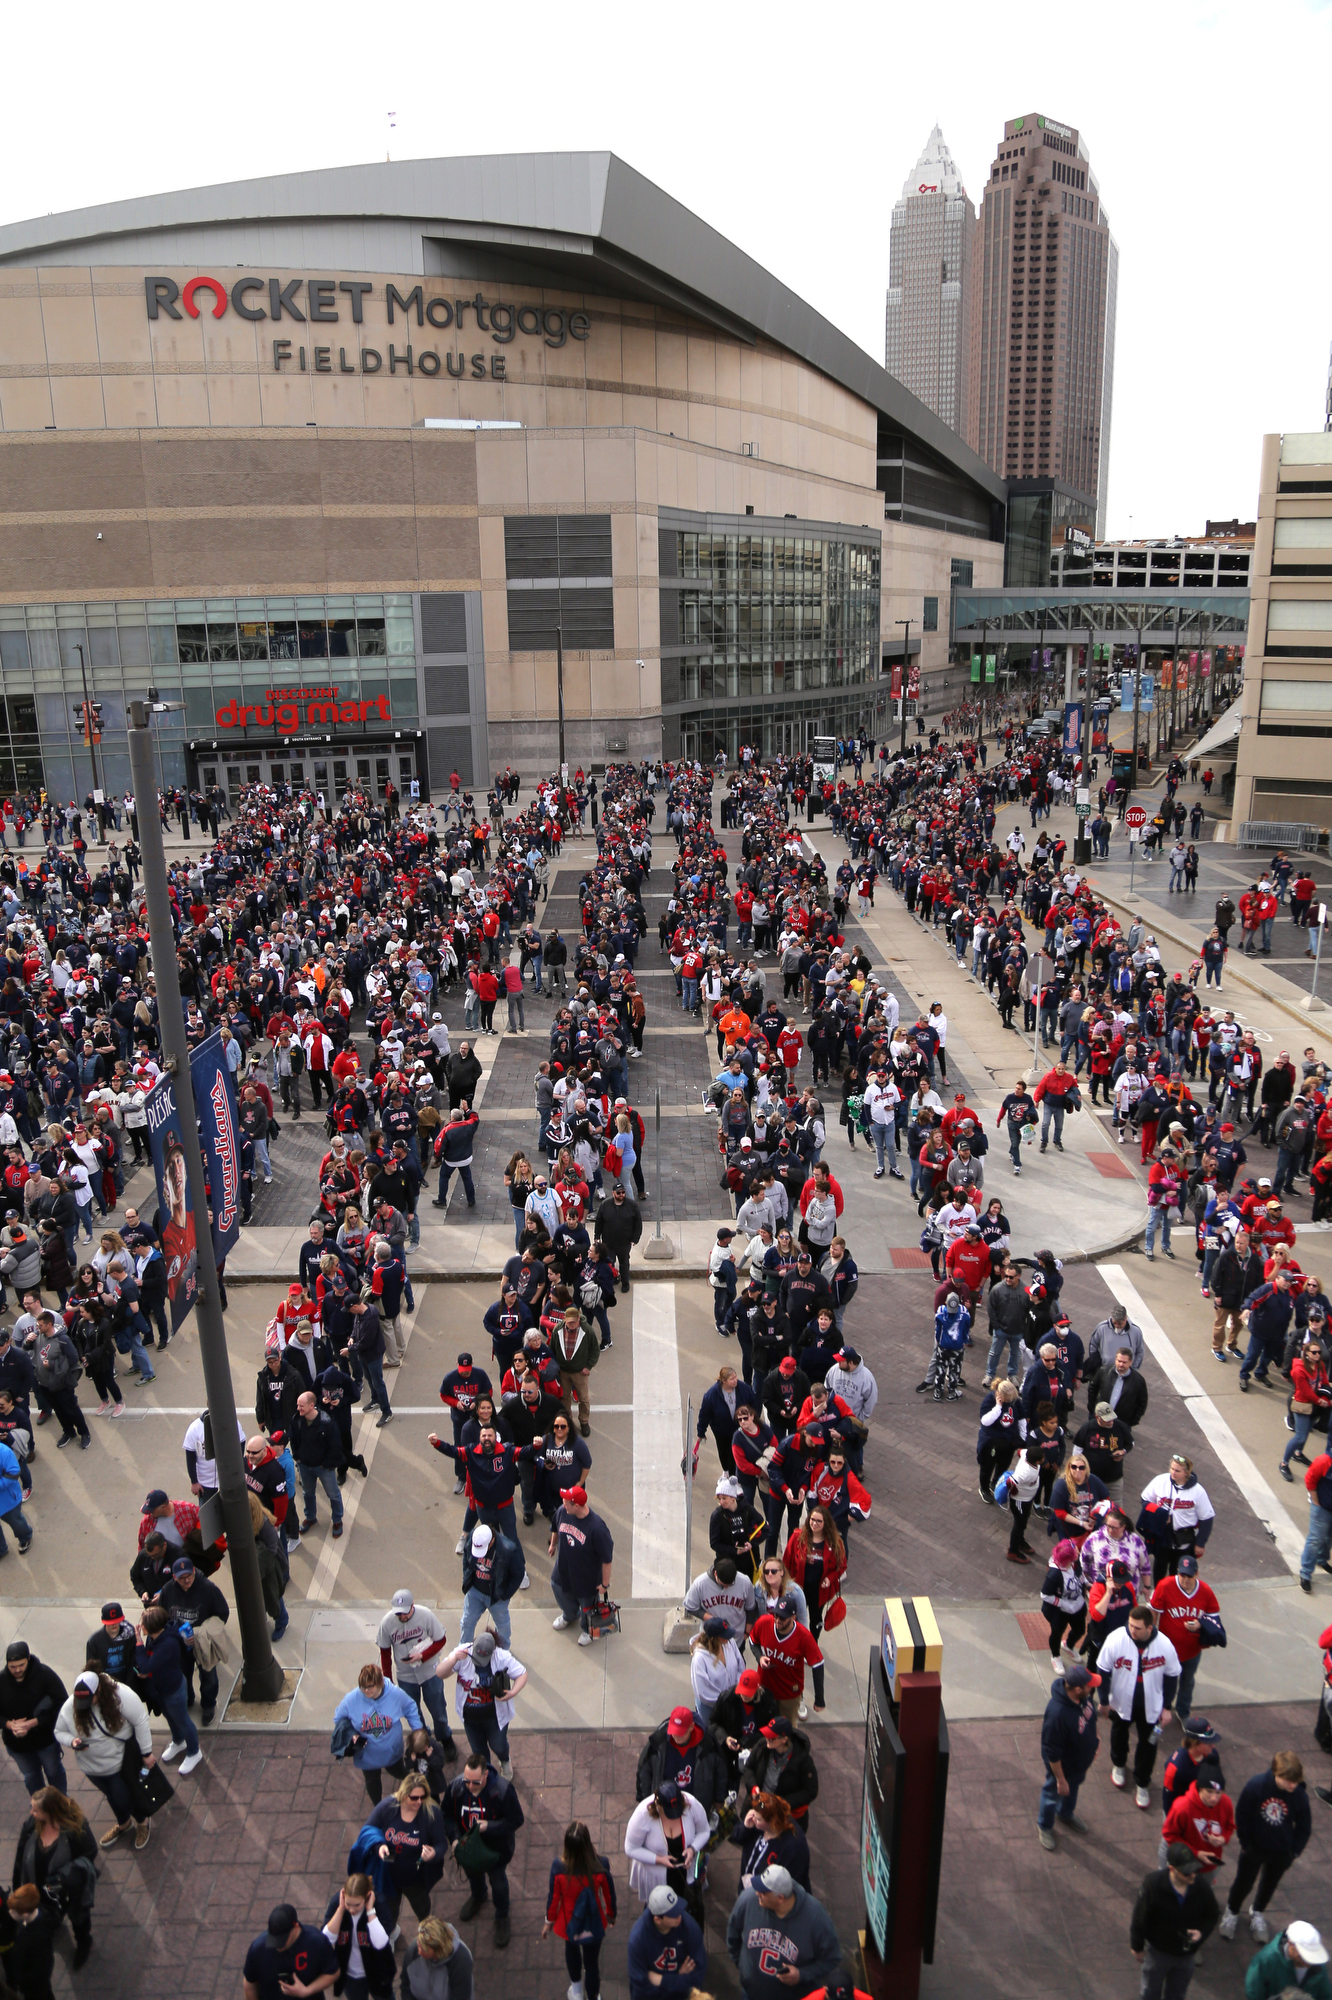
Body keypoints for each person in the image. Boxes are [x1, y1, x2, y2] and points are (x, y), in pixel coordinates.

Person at [53, 1669, 155, 1852]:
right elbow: (59, 1731)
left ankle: (143, 1823)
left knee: (124, 1798)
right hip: (91, 1768)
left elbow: (140, 1720)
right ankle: (124, 1824)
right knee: (112, 1798)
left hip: (118, 1764)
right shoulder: (71, 1705)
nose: (84, 1705)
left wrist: (146, 1752)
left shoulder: (121, 1695)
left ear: (99, 1690)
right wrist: (71, 1741)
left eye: (89, 1699)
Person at [1219, 1751, 1313, 1942]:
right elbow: (1242, 1815)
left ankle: (1258, 1912)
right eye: (1289, 1781)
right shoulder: (1256, 1786)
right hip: (1255, 1848)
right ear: (1276, 1774)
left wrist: (1294, 1852)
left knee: (1269, 1885)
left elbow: (1304, 1826)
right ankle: (1232, 1911)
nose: (1293, 1785)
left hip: (1282, 1852)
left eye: (1295, 1781)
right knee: (1244, 1882)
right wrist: (1245, 1842)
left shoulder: (1299, 1795)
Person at [1096, 1605, 1180, 1809]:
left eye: (1138, 1628)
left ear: (1150, 1628)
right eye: (1130, 1625)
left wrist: (1167, 1707)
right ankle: (1118, 1764)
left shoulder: (1165, 1644)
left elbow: (1172, 1677)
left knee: (1149, 1743)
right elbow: (1103, 1670)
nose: (1132, 1631)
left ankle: (1142, 1782)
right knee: (1118, 1734)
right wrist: (1104, 1701)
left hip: (1151, 1708)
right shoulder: (1116, 1638)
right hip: (1121, 1703)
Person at [443, 1749, 526, 1949]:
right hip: (469, 1849)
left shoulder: (503, 1791)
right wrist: (454, 1840)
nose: (470, 1786)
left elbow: (516, 1820)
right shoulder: (456, 1787)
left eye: (475, 1782)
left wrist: (490, 1826)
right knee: (473, 1875)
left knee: (498, 1882)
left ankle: (502, 1915)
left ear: (486, 1775)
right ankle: (479, 1895)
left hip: (496, 1851)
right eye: (467, 1781)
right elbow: (446, 1815)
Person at [726, 1862, 842, 2000]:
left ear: (780, 1898)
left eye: (763, 1892)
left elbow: (832, 1958)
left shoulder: (816, 1918)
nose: (757, 1893)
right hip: (751, 1994)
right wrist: (742, 1967)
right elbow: (733, 1933)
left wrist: (802, 1974)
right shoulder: (748, 1900)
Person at [1129, 1843, 1219, 2000]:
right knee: (1150, 1992)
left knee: (1177, 1994)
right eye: (1186, 1872)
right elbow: (1139, 1916)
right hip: (1158, 1952)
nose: (1192, 1875)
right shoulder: (1153, 1885)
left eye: (1194, 1869)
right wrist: (1137, 1946)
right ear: (1172, 1868)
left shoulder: (1201, 1887)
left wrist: (1201, 1933)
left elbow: (1212, 1914)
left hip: (1186, 1955)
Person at [434, 1631, 527, 1779]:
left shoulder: (501, 1656)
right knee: (478, 1751)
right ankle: (486, 1773)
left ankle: (505, 1760)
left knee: (499, 1746)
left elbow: (522, 1673)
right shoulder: (462, 1652)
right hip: (470, 1719)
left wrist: (513, 1692)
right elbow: (440, 1673)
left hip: (495, 1718)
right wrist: (453, 1659)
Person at [542, 1819, 618, 2000]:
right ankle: (593, 1996)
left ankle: (576, 1991)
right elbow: (609, 1895)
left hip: (570, 1923)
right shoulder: (601, 1864)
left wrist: (548, 1922)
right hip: (593, 1921)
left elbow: (554, 1898)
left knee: (572, 1951)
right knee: (592, 1963)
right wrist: (611, 1915)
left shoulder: (559, 1867)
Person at [377, 1588, 455, 1753]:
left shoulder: (425, 1615)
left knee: (438, 1710)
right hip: (405, 1676)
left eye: (405, 1612)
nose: (402, 1616)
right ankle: (424, 1741)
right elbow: (385, 1654)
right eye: (399, 1614)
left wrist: (422, 1655)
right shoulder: (387, 1623)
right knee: (413, 1713)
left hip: (430, 1671)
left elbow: (441, 1640)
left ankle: (445, 1737)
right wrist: (388, 1681)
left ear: (412, 1605)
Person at [332, 1662, 422, 1805]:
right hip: (367, 1756)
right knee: (372, 1781)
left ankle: (415, 1790)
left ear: (380, 1683)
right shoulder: (351, 1700)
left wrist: (417, 1731)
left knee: (399, 1772)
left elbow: (410, 1707)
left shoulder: (395, 1694)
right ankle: (378, 1807)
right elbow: (339, 1718)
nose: (367, 1691)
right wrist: (352, 1733)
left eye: (371, 1687)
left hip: (392, 1752)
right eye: (364, 1687)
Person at [367, 1772, 447, 1929]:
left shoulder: (431, 1813)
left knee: (422, 1909)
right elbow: (368, 1831)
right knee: (388, 1912)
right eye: (414, 1798)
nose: (419, 1802)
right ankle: (391, 1933)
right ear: (404, 1794)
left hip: (415, 1878)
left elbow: (441, 1844)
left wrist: (434, 1854)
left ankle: (426, 1932)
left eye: (423, 1797)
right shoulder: (387, 1807)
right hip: (388, 1876)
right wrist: (379, 1846)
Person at [1150, 1556, 1220, 1724]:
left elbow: (1215, 1620)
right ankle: (1158, 1710)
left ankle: (1183, 1713)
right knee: (1162, 1681)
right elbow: (1154, 1612)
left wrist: (1200, 1624)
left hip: (1192, 1651)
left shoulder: (1205, 1591)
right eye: (1182, 1575)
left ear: (1197, 1574)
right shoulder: (1165, 1586)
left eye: (1189, 1576)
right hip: (1166, 1650)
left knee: (1187, 1682)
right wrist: (1152, 1638)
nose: (1185, 1580)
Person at [1037, 1661, 1099, 1849]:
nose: (1093, 1687)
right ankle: (1045, 1826)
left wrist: (1095, 1739)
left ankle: (1065, 1813)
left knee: (1073, 1788)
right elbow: (1051, 1751)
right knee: (1052, 1793)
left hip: (1079, 1762)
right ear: (1078, 1689)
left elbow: (1090, 1718)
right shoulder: (1057, 1714)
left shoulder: (1084, 1698)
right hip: (1063, 1767)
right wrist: (1060, 1779)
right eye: (1090, 1685)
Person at [623, 1779, 710, 1911]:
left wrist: (692, 1849)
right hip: (656, 1876)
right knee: (656, 1909)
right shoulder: (642, 1814)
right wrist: (658, 1859)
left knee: (684, 1906)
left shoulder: (691, 1804)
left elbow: (704, 1831)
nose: (674, 1817)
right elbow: (631, 1848)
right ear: (658, 1804)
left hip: (683, 1871)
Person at [549, 1484, 614, 1645]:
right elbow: (555, 1527)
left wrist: (604, 1584)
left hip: (587, 1579)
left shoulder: (597, 1528)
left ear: (576, 1506)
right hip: (563, 1570)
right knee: (557, 1588)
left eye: (566, 1503)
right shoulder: (562, 1512)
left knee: (588, 1607)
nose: (563, 1505)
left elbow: (607, 1559)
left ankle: (588, 1630)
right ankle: (570, 1615)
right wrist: (552, 1544)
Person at [0, 1643, 67, 1796]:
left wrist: (33, 1722)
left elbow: (62, 1703)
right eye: (12, 1666)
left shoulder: (45, 1675)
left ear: (28, 1659)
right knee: (31, 1777)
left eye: (21, 1665)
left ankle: (62, 1805)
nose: (17, 1670)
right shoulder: (2, 1681)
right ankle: (41, 1808)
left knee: (54, 1772)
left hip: (46, 1740)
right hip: (17, 1745)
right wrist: (9, 1725)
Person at [320, 1876, 396, 2000]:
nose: (351, 1909)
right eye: (348, 1904)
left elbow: (381, 1943)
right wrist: (340, 1910)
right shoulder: (337, 1903)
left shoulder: (379, 1903)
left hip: (377, 1971)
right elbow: (325, 1941)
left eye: (357, 1905)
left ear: (367, 1897)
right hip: (350, 1975)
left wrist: (370, 1911)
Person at [242, 1903, 338, 2000]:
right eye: (274, 1939)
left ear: (296, 1926)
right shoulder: (258, 1949)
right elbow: (250, 1984)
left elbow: (333, 1973)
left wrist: (306, 1991)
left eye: (282, 1939)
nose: (277, 1946)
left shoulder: (316, 1942)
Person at [627, 1884, 706, 2000]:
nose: (680, 1915)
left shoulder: (690, 1928)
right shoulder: (638, 1939)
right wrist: (679, 1979)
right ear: (658, 1920)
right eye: (673, 1914)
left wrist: (662, 1980)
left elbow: (697, 1977)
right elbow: (642, 1990)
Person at [738, 1789, 811, 1890]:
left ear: (772, 1822)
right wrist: (745, 1827)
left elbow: (789, 1885)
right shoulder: (757, 1822)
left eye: (758, 1819)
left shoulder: (794, 1847)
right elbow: (737, 1838)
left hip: (768, 1898)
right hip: (749, 1890)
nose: (753, 1819)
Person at [1244, 1921, 1331, 2000]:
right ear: (1290, 1944)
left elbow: (1326, 1995)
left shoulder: (1316, 1963)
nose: (1309, 1964)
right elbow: (1254, 1995)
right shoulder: (1265, 1961)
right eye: (1304, 1956)